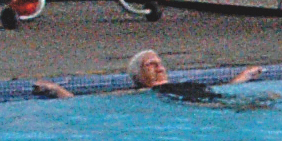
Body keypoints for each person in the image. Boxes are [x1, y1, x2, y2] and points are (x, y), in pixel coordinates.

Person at [33, 47, 265, 101]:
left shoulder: (185, 83)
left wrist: (244, 76)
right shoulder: (143, 92)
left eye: (159, 63)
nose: (159, 67)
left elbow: (225, 89)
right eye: (150, 65)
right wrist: (55, 89)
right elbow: (84, 102)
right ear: (139, 77)